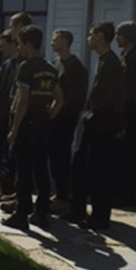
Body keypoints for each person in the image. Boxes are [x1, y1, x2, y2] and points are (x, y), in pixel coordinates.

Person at [68, 21, 125, 230]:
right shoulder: (102, 60)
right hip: (93, 125)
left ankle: (100, 218)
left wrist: (92, 117)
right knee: (81, 167)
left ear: (101, 36)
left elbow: (111, 98)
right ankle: (77, 211)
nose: (89, 38)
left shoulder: (111, 63)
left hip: (102, 127)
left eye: (92, 34)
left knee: (100, 173)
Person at [3, 25, 59, 232]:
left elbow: (23, 101)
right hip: (43, 123)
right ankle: (42, 213)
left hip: (27, 124)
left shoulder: (26, 67)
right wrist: (48, 117)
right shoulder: (50, 68)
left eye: (19, 44)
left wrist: (14, 129)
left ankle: (21, 214)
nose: (18, 48)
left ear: (28, 45)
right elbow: (59, 99)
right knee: (41, 169)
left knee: (24, 171)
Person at [48, 29, 88, 211]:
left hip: (65, 120)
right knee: (54, 158)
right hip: (53, 119)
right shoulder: (55, 64)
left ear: (65, 41)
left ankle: (64, 197)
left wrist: (60, 114)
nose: (52, 42)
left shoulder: (74, 67)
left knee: (62, 157)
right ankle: (58, 193)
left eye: (55, 39)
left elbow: (75, 98)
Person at [115, 21, 136, 207]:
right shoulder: (123, 56)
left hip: (130, 111)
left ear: (127, 36)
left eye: (119, 34)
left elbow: (133, 88)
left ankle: (129, 194)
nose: (117, 38)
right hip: (121, 111)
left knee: (129, 152)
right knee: (120, 152)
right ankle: (119, 190)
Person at [0, 29, 19, 198]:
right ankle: (3, 186)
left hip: (12, 115)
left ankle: (10, 190)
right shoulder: (7, 65)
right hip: (1, 115)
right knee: (1, 150)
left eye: (3, 46)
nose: (1, 50)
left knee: (11, 154)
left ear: (12, 44)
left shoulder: (19, 65)